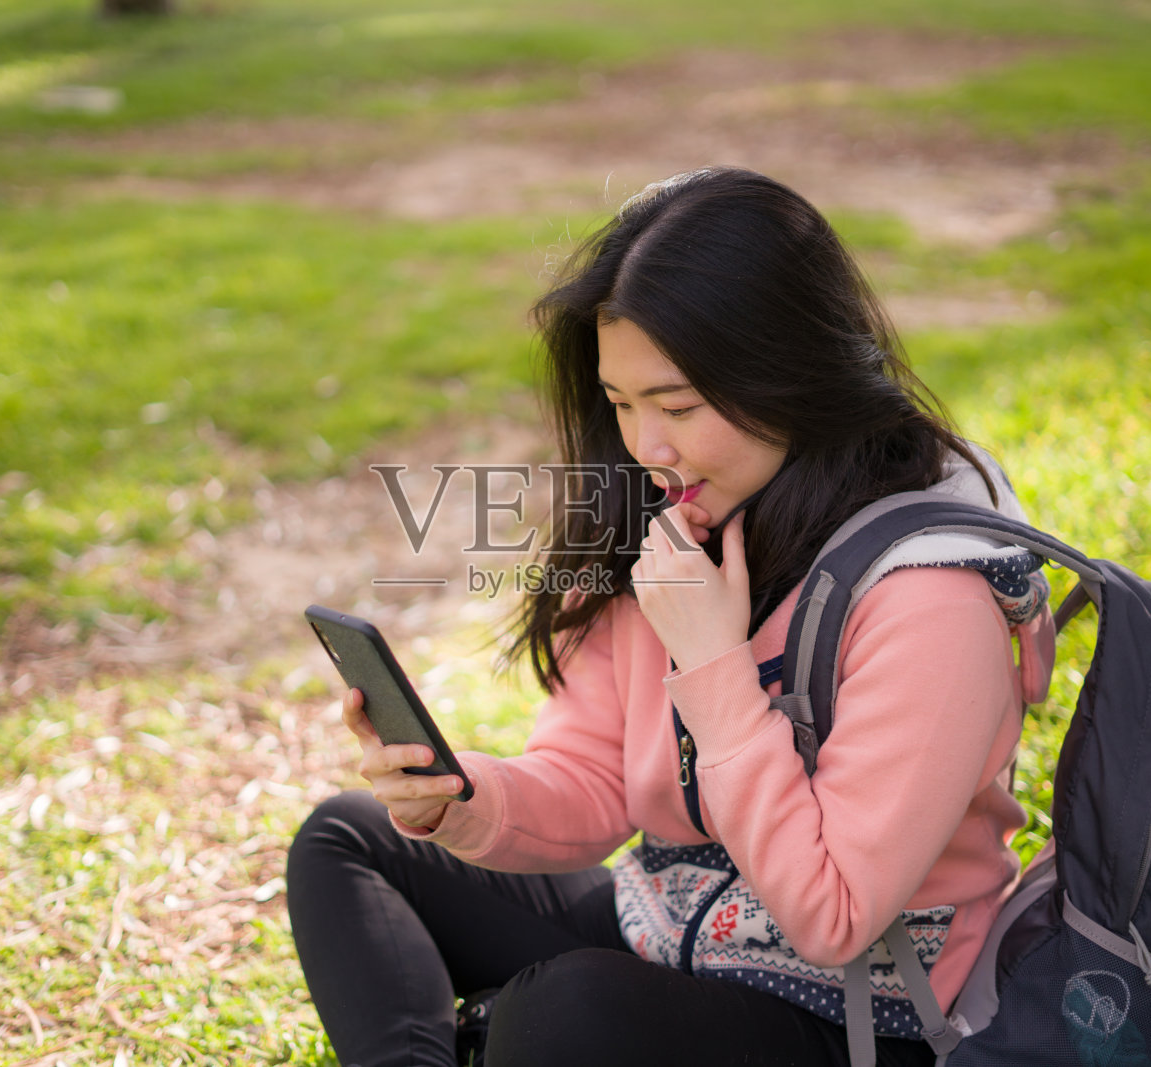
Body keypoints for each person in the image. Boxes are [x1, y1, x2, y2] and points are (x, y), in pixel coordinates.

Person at [286, 167, 1055, 1067]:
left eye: (678, 405)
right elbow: (593, 775)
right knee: (351, 839)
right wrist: (457, 800)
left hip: (853, 1015)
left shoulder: (930, 592)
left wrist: (714, 666)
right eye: (620, 404)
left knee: (566, 1014)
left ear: (789, 376)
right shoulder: (671, 519)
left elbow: (835, 913)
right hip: (671, 929)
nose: (647, 448)